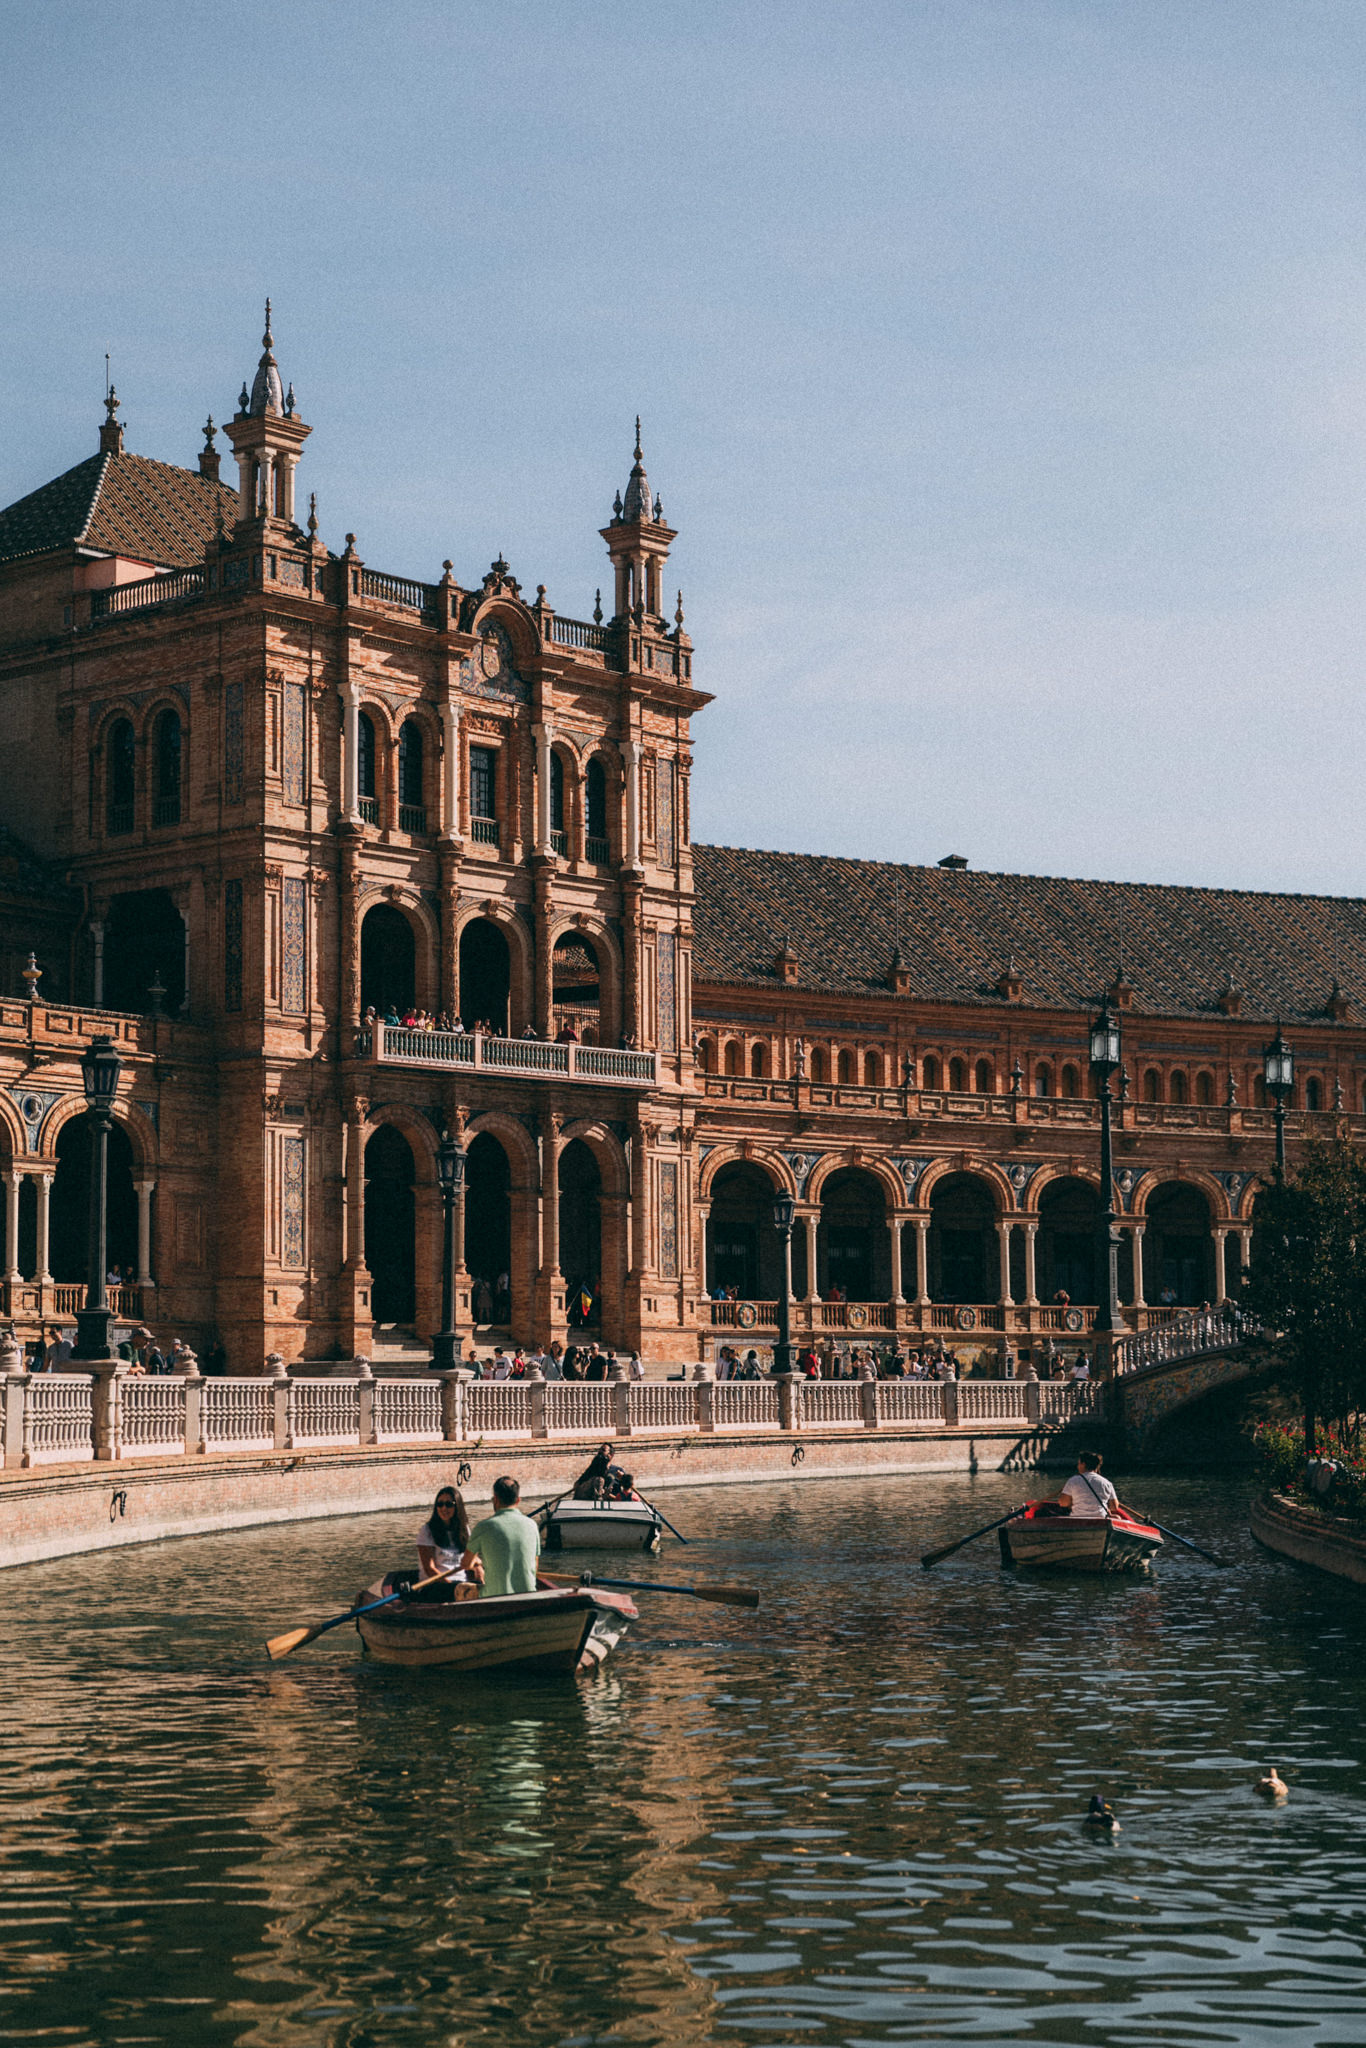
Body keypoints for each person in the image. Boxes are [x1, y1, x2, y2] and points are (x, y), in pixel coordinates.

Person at [463, 1476, 541, 1597]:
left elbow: (466, 1564)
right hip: (529, 1595)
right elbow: (534, 1568)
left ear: (495, 1499)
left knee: (461, 1589)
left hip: (494, 1597)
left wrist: (478, 1564)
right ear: (518, 1500)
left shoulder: (483, 1527)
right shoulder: (532, 1525)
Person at [414, 1487, 480, 1598]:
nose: (444, 1508)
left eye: (449, 1504)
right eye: (440, 1504)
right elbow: (429, 1569)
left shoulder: (464, 1530)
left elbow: (474, 1558)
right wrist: (452, 1587)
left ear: (457, 1506)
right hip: (435, 1584)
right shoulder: (426, 1531)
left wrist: (478, 1568)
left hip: (460, 1583)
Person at [1052, 1451, 1127, 1519]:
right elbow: (1114, 1507)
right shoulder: (1107, 1483)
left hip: (1077, 1519)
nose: (1077, 1466)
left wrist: (1072, 1502)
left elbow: (1063, 1503)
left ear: (1083, 1464)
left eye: (1079, 1463)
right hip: (1101, 1520)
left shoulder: (1073, 1481)